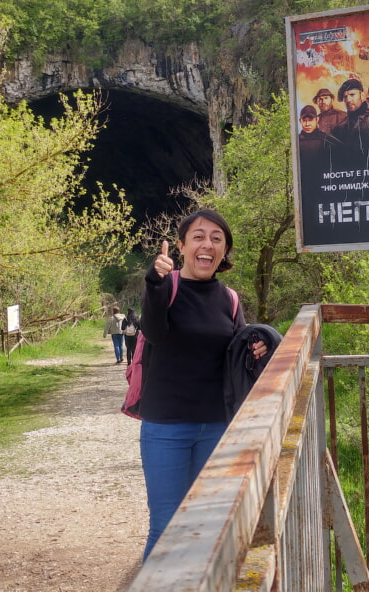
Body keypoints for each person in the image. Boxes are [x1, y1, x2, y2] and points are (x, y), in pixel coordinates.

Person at [138, 210, 266, 560]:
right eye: (197, 236)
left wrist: (257, 347)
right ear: (181, 246)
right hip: (166, 427)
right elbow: (154, 331)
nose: (206, 244)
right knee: (166, 527)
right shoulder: (167, 287)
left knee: (203, 525)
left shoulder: (230, 299)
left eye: (216, 238)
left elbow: (237, 357)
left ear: (224, 251)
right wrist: (154, 283)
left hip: (215, 427)